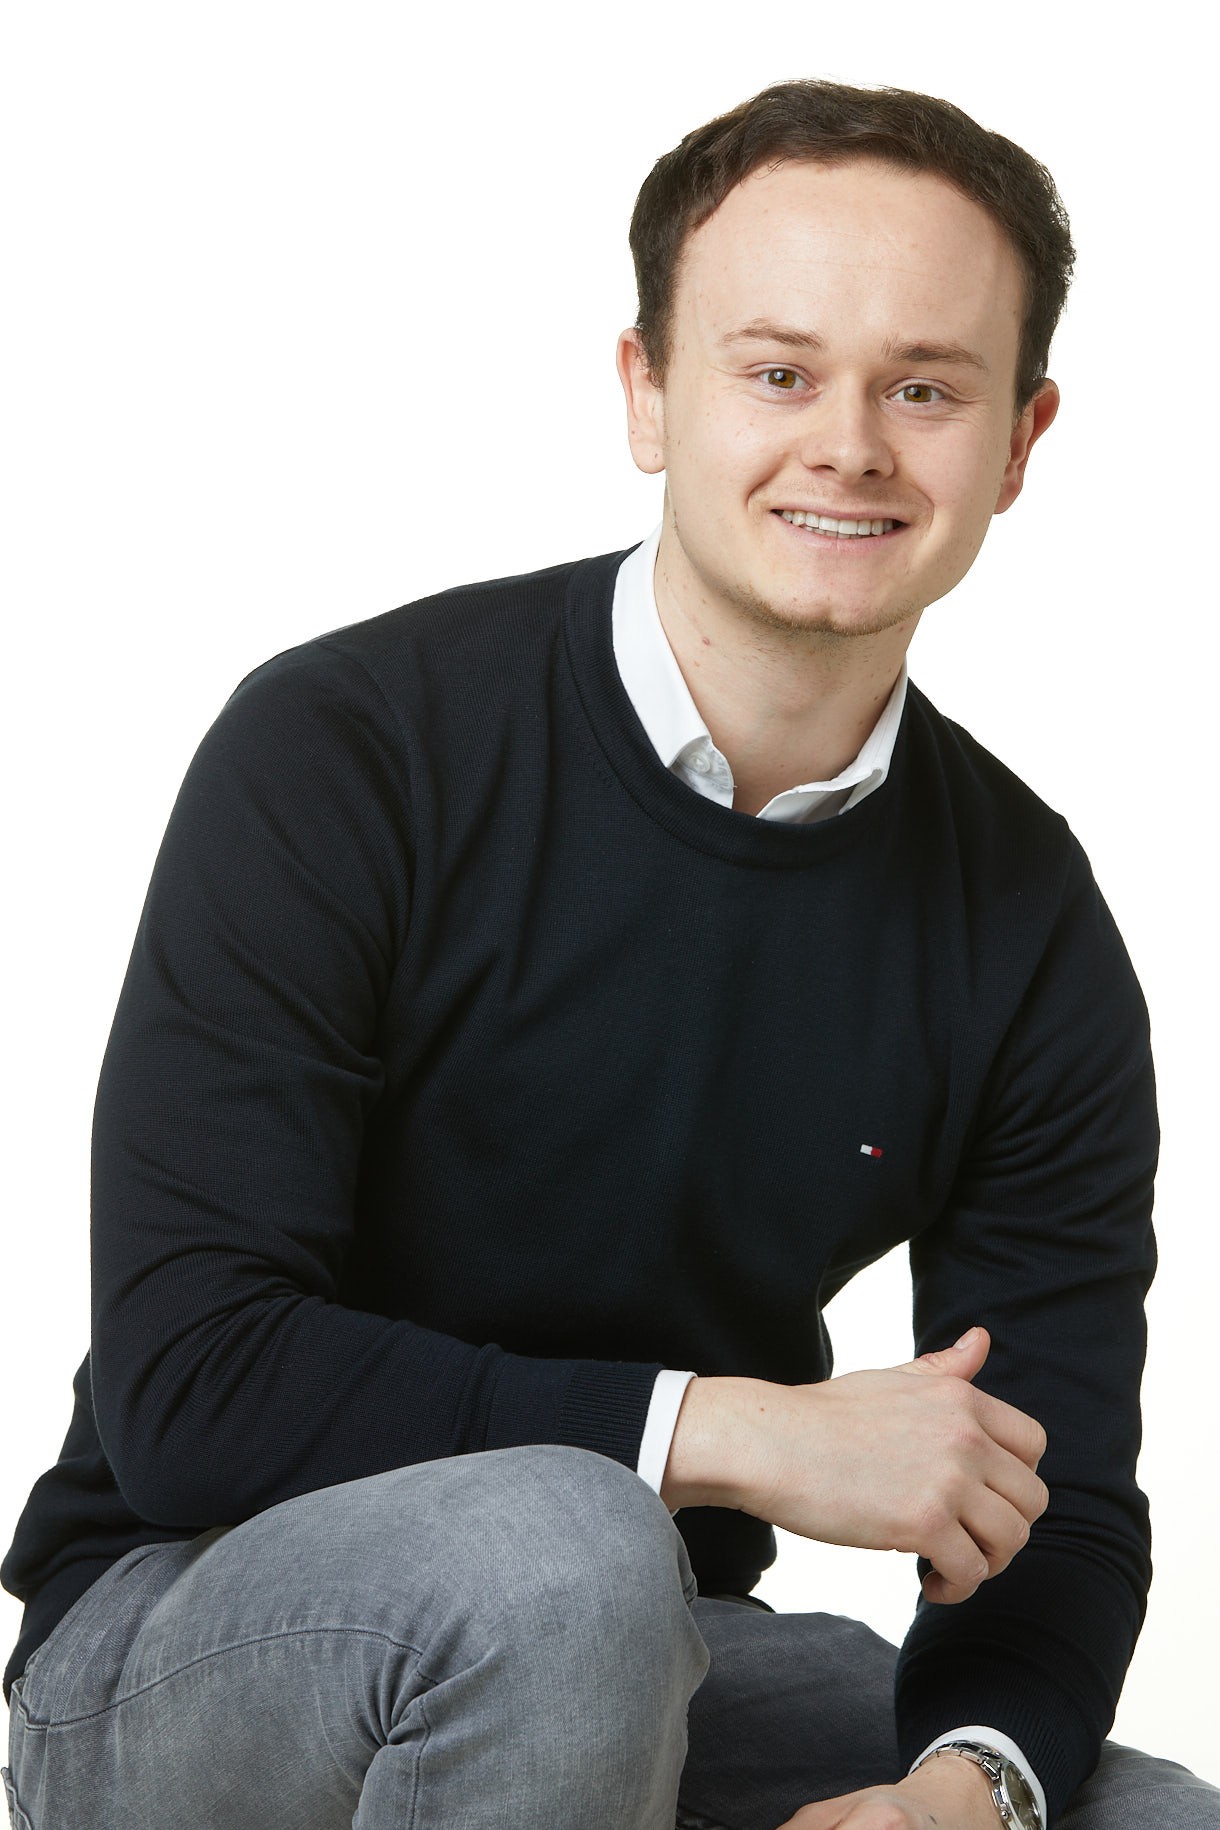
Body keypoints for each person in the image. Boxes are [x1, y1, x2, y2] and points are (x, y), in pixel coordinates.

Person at [2, 78, 1217, 1830]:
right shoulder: (350, 750)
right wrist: (728, 1430)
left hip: (650, 1640)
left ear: (1020, 443)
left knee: (1139, 1818)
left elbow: (1057, 1490)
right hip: (182, 1629)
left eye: (925, 388)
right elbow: (193, 1378)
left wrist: (966, 1787)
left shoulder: (1025, 919)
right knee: (567, 1552)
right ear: (648, 391)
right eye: (779, 372)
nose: (851, 445)